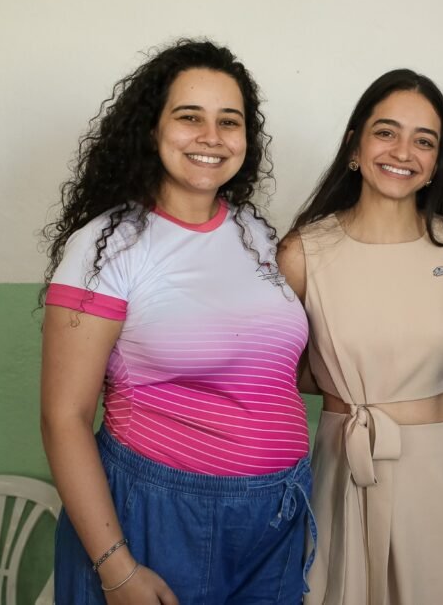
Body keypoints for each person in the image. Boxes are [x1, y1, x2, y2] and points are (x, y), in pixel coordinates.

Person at [39, 39, 313, 604]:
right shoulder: (107, 246)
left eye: (229, 121)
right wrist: (117, 569)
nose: (211, 136)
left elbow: (275, 369)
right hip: (158, 516)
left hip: (275, 517)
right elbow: (63, 417)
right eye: (190, 117)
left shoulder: (256, 235)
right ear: (151, 129)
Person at [277, 69, 443, 605]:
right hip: (343, 465)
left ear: (437, 162)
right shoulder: (303, 252)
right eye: (386, 132)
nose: (403, 152)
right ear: (355, 144)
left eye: (424, 141)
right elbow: (284, 367)